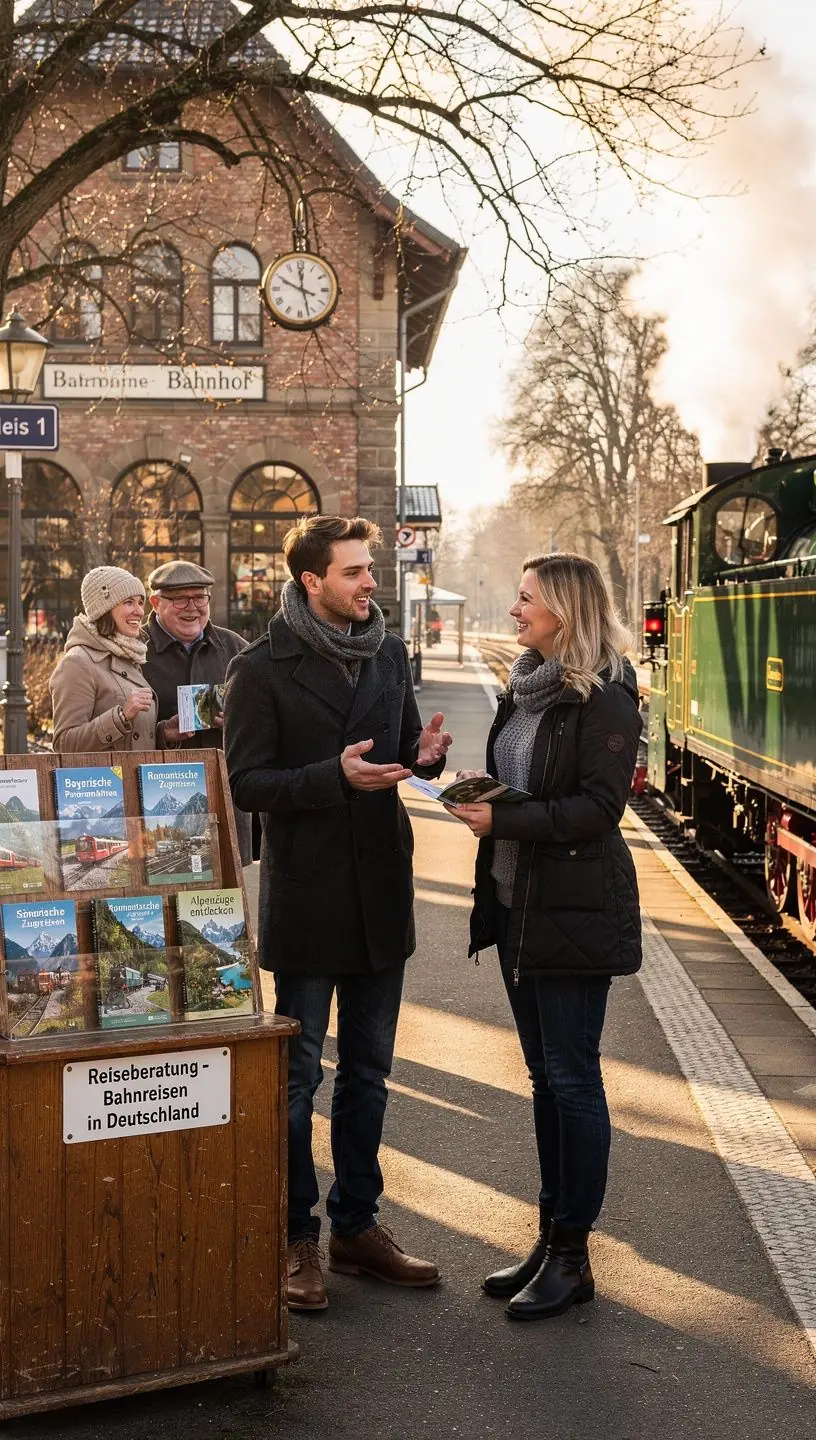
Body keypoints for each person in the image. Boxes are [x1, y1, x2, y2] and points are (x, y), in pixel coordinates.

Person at [224, 515, 452, 1313]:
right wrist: (332, 777)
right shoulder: (261, 668)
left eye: (369, 569)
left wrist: (424, 757)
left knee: (370, 1073)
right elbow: (247, 784)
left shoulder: (388, 649)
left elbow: (397, 746)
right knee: (295, 1081)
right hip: (311, 897)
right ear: (311, 581)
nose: (369, 583)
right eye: (353, 572)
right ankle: (296, 1238)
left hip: (382, 893)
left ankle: (358, 1228)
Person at [449, 553, 642, 1322]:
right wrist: (481, 793)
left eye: (525, 599)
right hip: (515, 904)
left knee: (572, 1078)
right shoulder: (525, 688)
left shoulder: (608, 699)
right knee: (544, 1079)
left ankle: (574, 1255)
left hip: (572, 911)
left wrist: (507, 817)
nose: (514, 611)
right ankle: (548, 1235)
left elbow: (599, 809)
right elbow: (525, 784)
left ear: (564, 609)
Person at [141, 561, 251, 865]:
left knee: (227, 901)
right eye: (180, 599)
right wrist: (162, 733)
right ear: (156, 603)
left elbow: (269, 717)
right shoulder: (135, 651)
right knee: (164, 892)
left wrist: (239, 721)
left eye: (199, 597)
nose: (192, 608)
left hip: (225, 798)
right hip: (159, 803)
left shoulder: (236, 648)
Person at [50, 566, 161, 752]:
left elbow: (134, 738)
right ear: (105, 609)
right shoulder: (77, 662)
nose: (140, 611)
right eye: (128, 602)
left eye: (140, 602)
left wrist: (166, 733)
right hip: (104, 780)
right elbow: (64, 744)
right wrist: (121, 717)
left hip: (137, 778)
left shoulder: (129, 655)